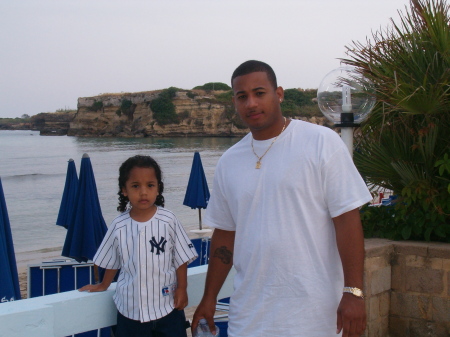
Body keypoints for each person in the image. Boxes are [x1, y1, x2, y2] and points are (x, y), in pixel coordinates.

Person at [192, 60, 372, 337]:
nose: (251, 103)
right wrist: (209, 297)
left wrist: (353, 291)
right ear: (235, 102)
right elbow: (225, 236)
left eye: (259, 92)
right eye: (242, 96)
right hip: (249, 317)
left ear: (279, 94)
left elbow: (347, 220)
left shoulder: (322, 143)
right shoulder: (229, 162)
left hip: (315, 316)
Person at [80, 155, 198, 337]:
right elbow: (112, 260)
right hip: (130, 310)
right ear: (124, 190)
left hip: (167, 307)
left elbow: (180, 258)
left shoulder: (168, 220)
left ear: (158, 188)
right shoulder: (118, 225)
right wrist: (103, 285)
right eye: (135, 186)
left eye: (150, 185)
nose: (143, 192)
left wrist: (182, 288)